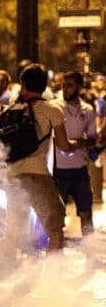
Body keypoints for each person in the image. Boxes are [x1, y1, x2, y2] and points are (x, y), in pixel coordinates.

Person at [3, 64, 74, 253]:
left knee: (11, 238)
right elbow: (64, 146)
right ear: (45, 85)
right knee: (56, 231)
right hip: (37, 176)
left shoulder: (9, 111)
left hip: (12, 179)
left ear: (22, 84)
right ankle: (50, 279)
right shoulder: (52, 109)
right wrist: (81, 144)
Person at [53, 71, 97, 239]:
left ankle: (90, 251)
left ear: (79, 87)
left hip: (80, 170)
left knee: (86, 213)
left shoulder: (88, 110)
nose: (66, 88)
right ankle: (54, 255)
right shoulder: (55, 106)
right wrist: (63, 143)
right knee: (57, 217)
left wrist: (76, 144)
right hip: (59, 170)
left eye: (70, 85)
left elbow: (92, 139)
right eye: (64, 85)